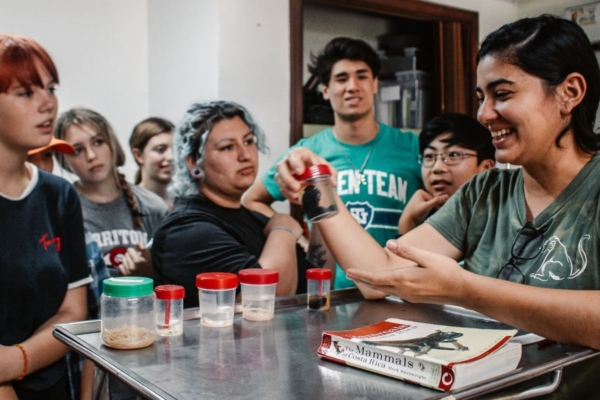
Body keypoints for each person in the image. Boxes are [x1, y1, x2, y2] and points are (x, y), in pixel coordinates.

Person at [276, 15, 600, 397]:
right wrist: (320, 186)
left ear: (570, 91)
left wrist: (465, 290)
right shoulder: (485, 192)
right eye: (481, 97)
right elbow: (377, 275)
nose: (483, 114)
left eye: (503, 93)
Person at [242, 37, 423, 289]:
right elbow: (251, 200)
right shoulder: (307, 153)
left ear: (375, 84)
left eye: (362, 76)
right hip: (330, 293)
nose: (352, 86)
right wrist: (294, 233)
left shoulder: (413, 146)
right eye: (341, 79)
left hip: (399, 287)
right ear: (325, 90)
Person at [152, 101, 312, 307]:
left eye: (248, 141)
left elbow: (317, 282)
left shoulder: (253, 218)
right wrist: (283, 228)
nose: (245, 155)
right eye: (227, 147)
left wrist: (320, 196)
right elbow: (266, 301)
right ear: (193, 163)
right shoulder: (186, 230)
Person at [0, 33, 89, 400]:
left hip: (51, 385)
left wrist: (15, 361)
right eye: (26, 93)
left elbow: (73, 311)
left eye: (50, 88)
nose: (48, 104)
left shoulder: (59, 194)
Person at [27, 137, 109, 400]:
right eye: (32, 157)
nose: (42, 168)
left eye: (48, 157)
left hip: (66, 380)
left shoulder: (65, 210)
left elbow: (94, 323)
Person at [54, 108, 168, 277]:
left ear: (112, 144)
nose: (91, 155)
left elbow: (172, 277)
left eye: (98, 142)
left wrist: (148, 272)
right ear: (64, 160)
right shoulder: (61, 210)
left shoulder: (152, 206)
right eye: (77, 150)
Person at [398, 113, 495, 235]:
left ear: (486, 168)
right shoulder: (423, 219)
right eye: (429, 156)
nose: (437, 168)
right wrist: (408, 223)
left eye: (453, 155)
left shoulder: (499, 222)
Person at [129, 117, 175, 208]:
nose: (171, 157)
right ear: (138, 155)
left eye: (175, 149)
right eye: (160, 149)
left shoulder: (185, 202)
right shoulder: (130, 204)